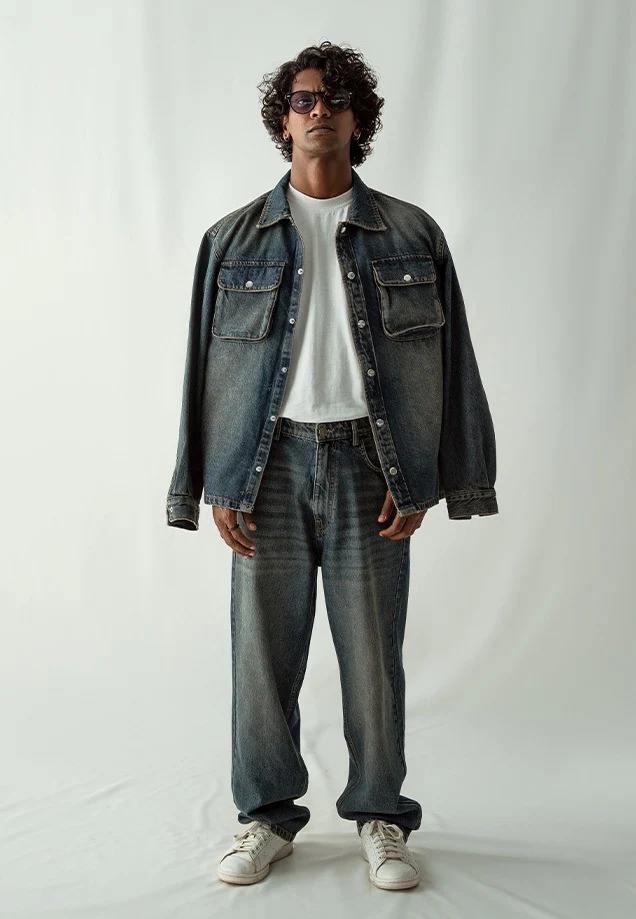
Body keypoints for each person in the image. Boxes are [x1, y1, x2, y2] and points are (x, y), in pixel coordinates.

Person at [166, 41, 498, 891]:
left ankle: (381, 815)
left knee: (373, 659)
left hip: (370, 467)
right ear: (284, 120)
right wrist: (210, 483)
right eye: (305, 99)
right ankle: (266, 817)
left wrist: (431, 478)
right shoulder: (232, 238)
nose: (321, 110)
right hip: (266, 468)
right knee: (261, 659)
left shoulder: (411, 233)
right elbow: (203, 373)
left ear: (360, 120)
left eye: (337, 98)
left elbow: (453, 364)